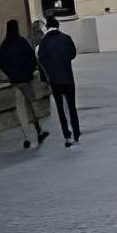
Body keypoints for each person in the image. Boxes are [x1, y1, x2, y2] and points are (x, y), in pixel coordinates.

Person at [0, 20, 44, 149]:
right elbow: (31, 58)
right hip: (25, 80)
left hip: (15, 82)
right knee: (31, 105)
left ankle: (28, 136)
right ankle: (38, 131)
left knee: (21, 109)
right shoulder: (22, 42)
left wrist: (11, 74)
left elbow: (1, 62)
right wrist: (28, 71)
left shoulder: (4, 45)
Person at [38, 17, 82, 145]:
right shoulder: (66, 38)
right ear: (58, 26)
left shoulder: (44, 42)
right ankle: (76, 134)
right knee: (72, 107)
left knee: (61, 108)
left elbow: (41, 59)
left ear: (47, 27)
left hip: (54, 81)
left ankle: (67, 136)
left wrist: (50, 69)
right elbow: (73, 54)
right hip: (68, 77)